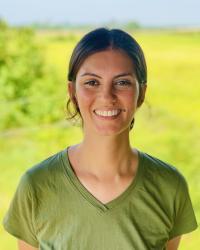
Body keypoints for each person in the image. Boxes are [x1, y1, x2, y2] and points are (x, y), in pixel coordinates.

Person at [3, 27, 197, 250]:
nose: (106, 96)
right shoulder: (36, 186)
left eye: (122, 82)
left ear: (141, 93)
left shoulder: (169, 186)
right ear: (72, 91)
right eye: (92, 82)